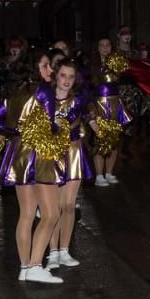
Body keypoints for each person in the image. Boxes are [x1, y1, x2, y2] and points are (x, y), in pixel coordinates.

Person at [0, 50, 64, 284]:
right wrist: (58, 127)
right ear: (34, 69)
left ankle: (25, 267)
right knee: (51, 213)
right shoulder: (44, 92)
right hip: (39, 153)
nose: (50, 70)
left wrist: (16, 131)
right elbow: (50, 125)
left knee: (27, 214)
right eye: (45, 66)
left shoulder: (14, 94)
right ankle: (36, 265)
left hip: (17, 154)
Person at [46, 59, 97, 270]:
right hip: (51, 154)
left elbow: (89, 112)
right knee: (54, 208)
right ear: (55, 76)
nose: (67, 80)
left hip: (74, 151)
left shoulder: (79, 98)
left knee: (68, 206)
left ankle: (65, 250)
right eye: (63, 75)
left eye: (71, 76)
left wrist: (98, 126)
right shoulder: (45, 98)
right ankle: (52, 252)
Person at [89, 38, 133, 186]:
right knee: (100, 138)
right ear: (97, 48)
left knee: (114, 139)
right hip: (99, 103)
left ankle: (109, 172)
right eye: (101, 45)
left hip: (115, 103)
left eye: (108, 45)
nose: (105, 48)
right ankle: (99, 175)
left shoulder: (116, 64)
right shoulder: (92, 66)